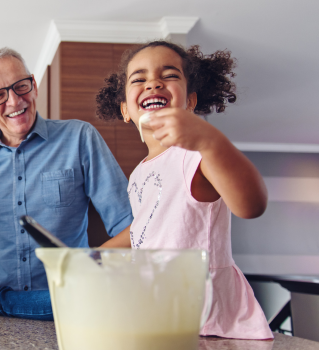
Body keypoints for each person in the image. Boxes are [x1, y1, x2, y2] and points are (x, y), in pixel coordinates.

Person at [96, 41, 272, 339]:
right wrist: (94, 254)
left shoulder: (197, 154)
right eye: (139, 79)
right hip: (163, 312)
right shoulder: (140, 172)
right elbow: (145, 228)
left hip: (208, 320)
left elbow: (251, 205)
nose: (153, 82)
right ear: (125, 110)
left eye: (169, 75)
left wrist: (209, 140)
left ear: (189, 102)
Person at [0, 47, 132, 320]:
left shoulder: (79, 138)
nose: (14, 101)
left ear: (34, 86)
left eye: (21, 86)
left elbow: (129, 224)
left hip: (69, 303)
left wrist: (85, 263)